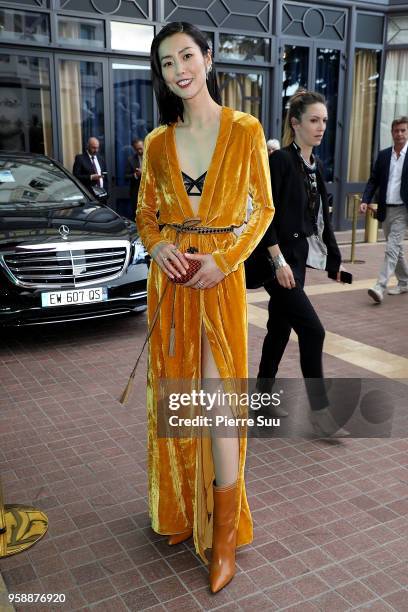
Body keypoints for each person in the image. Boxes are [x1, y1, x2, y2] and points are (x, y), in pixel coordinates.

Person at [135, 21, 274, 593]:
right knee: (177, 399)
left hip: (218, 283)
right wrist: (160, 245)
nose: (178, 70)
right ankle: (179, 511)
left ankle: (221, 535)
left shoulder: (244, 131)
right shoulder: (157, 142)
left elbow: (261, 210)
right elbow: (146, 216)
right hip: (170, 288)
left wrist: (226, 259)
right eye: (167, 63)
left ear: (208, 58)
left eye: (186, 56)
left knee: (216, 405)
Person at [257, 90, 344, 435]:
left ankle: (260, 404)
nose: (321, 126)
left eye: (324, 120)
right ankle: (320, 411)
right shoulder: (279, 162)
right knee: (313, 330)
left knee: (279, 330)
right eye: (313, 120)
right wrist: (277, 261)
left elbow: (321, 216)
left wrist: (334, 260)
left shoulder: (315, 166)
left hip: (298, 260)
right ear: (295, 124)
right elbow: (264, 216)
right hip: (275, 261)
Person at [360, 116, 408, 303]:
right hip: (386, 209)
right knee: (396, 249)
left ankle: (380, 286)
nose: (399, 134)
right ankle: (404, 281)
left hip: (403, 209)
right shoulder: (384, 155)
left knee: (391, 248)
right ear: (392, 133)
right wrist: (365, 200)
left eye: (403, 130)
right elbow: (373, 180)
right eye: (396, 131)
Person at [125, 138, 144, 215]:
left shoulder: (151, 157)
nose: (139, 151)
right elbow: (126, 176)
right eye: (137, 149)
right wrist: (136, 175)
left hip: (151, 194)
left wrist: (144, 173)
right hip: (136, 194)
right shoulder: (130, 159)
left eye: (140, 149)